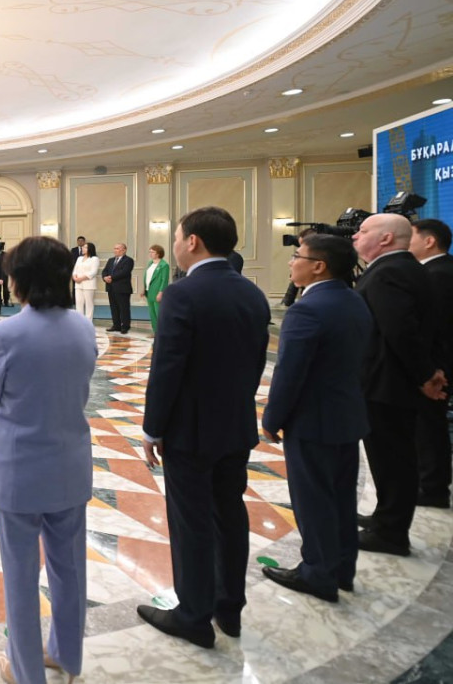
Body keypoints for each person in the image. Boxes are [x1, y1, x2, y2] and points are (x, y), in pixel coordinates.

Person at [136, 206, 270, 649]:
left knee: (191, 521)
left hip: (190, 432)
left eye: (177, 237)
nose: (176, 244)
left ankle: (193, 616)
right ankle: (229, 609)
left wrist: (153, 428)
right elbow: (255, 363)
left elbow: (167, 368)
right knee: (230, 514)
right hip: (235, 425)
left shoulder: (183, 294)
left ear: (192, 241)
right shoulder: (252, 293)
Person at [0, 236, 95, 684]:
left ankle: (25, 671)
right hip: (70, 464)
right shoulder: (83, 328)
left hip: (19, 470)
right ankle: (67, 657)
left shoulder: (5, 334)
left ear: (21, 280)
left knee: (21, 578)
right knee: (70, 571)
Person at [260, 235, 370, 602]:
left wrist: (272, 418)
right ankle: (342, 570)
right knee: (341, 498)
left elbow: (289, 372)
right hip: (347, 415)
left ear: (319, 266)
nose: (291, 262)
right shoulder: (354, 300)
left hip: (313, 420)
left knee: (314, 500)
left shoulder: (307, 309)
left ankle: (318, 574)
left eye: (297, 256)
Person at [353, 213, 445, 556]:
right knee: (393, 457)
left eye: (363, 231)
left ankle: (391, 532)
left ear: (386, 238)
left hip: (386, 384)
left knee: (392, 459)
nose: (355, 236)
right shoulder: (406, 268)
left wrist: (425, 376)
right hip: (391, 382)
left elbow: (400, 330)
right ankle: (386, 517)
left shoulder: (389, 272)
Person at [409, 218, 453, 509]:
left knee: (429, 426)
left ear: (429, 241)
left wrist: (429, 370)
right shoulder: (438, 270)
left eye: (411, 237)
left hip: (438, 366)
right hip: (438, 362)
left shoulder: (437, 275)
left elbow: (434, 328)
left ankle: (433, 487)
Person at [101, 242, 134, 333]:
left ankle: (125, 326)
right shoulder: (111, 260)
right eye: (115, 248)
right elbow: (105, 271)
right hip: (111, 288)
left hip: (122, 288)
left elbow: (124, 272)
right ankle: (116, 325)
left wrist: (111, 277)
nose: (115, 250)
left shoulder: (128, 260)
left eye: (118, 248)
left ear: (124, 250)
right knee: (114, 308)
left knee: (124, 308)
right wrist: (104, 277)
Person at [144, 244, 170, 332]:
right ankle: (155, 332)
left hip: (157, 292)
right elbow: (147, 277)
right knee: (152, 314)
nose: (150, 254)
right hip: (149, 291)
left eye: (152, 252)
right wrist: (144, 288)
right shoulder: (150, 263)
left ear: (158, 253)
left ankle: (162, 332)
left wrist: (161, 292)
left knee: (159, 313)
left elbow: (164, 280)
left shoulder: (164, 265)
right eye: (150, 252)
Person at [71, 242, 99, 319]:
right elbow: (75, 270)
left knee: (89, 304)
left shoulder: (94, 259)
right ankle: (79, 321)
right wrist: (74, 277)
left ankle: (88, 322)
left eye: (85, 247)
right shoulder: (79, 258)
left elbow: (93, 272)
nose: (83, 248)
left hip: (89, 284)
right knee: (78, 303)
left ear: (90, 249)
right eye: (83, 247)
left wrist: (81, 278)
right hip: (78, 284)